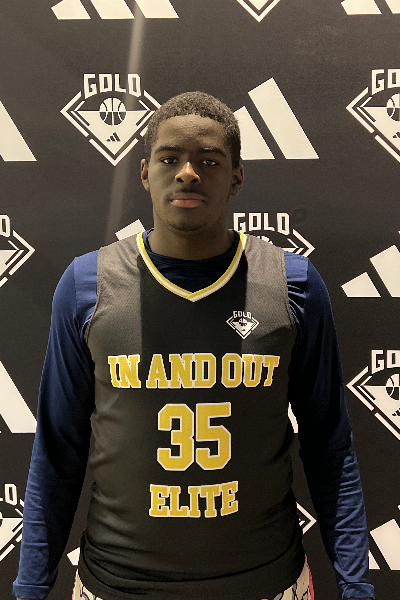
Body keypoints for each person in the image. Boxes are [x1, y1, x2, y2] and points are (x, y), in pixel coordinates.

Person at [13, 92, 374, 600]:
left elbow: (329, 445)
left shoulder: (292, 284)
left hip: (268, 583)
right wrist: (31, 586)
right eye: (169, 159)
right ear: (145, 173)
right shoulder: (87, 284)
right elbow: (57, 449)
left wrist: (356, 585)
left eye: (209, 161)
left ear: (237, 177)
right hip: (117, 584)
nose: (187, 173)